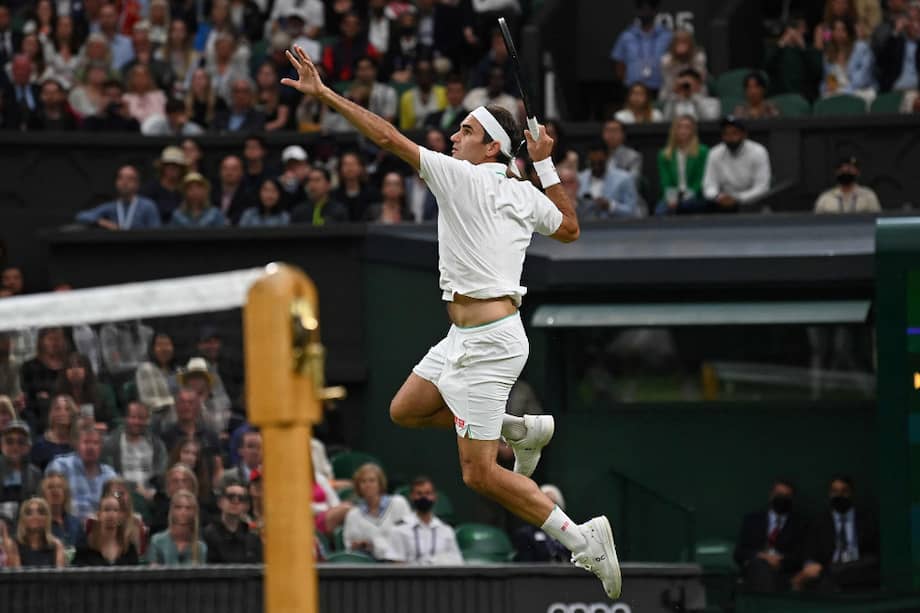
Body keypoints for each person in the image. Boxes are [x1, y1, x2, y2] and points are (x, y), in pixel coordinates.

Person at [282, 43, 621, 598]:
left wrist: (324, 95)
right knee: (406, 409)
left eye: (466, 131)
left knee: (479, 473)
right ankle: (517, 428)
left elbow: (387, 137)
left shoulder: (462, 176)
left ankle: (582, 538)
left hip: (489, 343)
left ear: (490, 147)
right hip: (465, 336)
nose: (453, 137)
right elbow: (569, 227)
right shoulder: (521, 191)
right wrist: (543, 163)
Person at [791, 476, 880, 591]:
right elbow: (810, 552)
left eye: (844, 491)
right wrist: (809, 567)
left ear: (851, 494)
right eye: (835, 491)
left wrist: (826, 569)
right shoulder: (819, 522)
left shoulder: (866, 520)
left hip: (857, 570)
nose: (839, 495)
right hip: (828, 574)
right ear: (830, 494)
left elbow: (873, 555)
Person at [734, 479, 806, 593]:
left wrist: (780, 561)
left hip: (784, 571)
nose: (782, 499)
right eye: (779, 494)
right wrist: (762, 556)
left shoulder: (799, 524)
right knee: (760, 567)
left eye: (786, 496)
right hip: (755, 569)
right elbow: (739, 553)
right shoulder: (752, 520)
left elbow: (800, 555)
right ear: (771, 495)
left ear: (792, 499)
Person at [382, 476, 462, 564]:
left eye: (428, 493)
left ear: (435, 496)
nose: (424, 497)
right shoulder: (399, 529)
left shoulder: (446, 530)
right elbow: (395, 563)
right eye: (419, 494)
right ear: (411, 496)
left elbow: (457, 562)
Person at [46, 424, 118, 522]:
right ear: (77, 445)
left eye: (95, 443)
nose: (91, 447)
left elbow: (117, 500)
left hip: (99, 526)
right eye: (86, 442)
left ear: (101, 447)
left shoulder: (109, 474)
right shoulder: (61, 465)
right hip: (67, 524)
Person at [701, 116, 771, 213]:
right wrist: (719, 197)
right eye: (726, 134)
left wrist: (738, 198)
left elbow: (762, 187)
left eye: (734, 133)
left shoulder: (758, 152)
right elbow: (709, 185)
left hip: (752, 204)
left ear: (744, 135)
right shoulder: (714, 153)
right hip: (722, 204)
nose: (730, 137)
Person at [101, 401, 167, 501]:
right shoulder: (111, 443)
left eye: (141, 418)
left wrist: (152, 491)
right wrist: (133, 488)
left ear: (147, 420)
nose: (136, 422)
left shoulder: (157, 445)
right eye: (133, 417)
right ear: (126, 418)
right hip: (119, 493)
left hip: (150, 494)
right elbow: (109, 474)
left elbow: (161, 473)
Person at [343, 463, 412, 559]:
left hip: (401, 560)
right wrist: (361, 546)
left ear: (380, 484)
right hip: (370, 564)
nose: (368, 485)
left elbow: (408, 536)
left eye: (372, 481)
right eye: (363, 481)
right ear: (358, 486)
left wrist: (377, 546)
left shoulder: (398, 503)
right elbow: (349, 546)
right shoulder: (353, 515)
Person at [610, 0, 672, 94]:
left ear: (655, 11)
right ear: (637, 11)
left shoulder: (667, 36)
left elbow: (675, 61)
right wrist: (625, 82)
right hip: (633, 90)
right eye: (641, 8)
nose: (645, 12)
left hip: (660, 90)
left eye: (648, 8)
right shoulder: (627, 36)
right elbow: (619, 63)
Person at [75, 165, 161, 230]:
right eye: (121, 178)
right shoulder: (112, 207)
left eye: (130, 179)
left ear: (137, 184)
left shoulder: (148, 206)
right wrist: (102, 222)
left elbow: (156, 232)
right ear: (116, 182)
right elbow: (81, 216)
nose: (124, 182)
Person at [655, 115, 710, 215]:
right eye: (679, 127)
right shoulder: (664, 155)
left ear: (693, 131)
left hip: (695, 195)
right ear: (674, 131)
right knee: (660, 211)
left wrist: (687, 197)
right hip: (673, 195)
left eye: (687, 127)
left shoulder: (702, 152)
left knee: (686, 206)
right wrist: (672, 199)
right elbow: (665, 181)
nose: (683, 131)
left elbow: (700, 179)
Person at [203, 478, 262, 563]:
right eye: (230, 496)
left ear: (246, 506)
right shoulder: (208, 534)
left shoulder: (252, 537)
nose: (235, 501)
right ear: (220, 502)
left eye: (241, 498)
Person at [577, 141, 640, 219]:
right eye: (592, 163)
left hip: (614, 225)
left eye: (600, 163)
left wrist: (610, 206)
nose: (596, 167)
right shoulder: (579, 179)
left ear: (607, 158)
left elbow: (632, 211)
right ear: (587, 160)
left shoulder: (624, 179)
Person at [72, 493, 140, 566]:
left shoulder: (129, 548)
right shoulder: (85, 545)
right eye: (107, 509)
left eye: (115, 510)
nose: (111, 514)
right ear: (98, 515)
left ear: (120, 516)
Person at [20, 327, 69, 425]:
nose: (54, 343)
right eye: (50, 339)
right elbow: (28, 399)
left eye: (57, 339)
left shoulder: (69, 366)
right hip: (38, 418)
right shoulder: (29, 367)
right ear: (42, 341)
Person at [54, 352, 116, 427]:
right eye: (70, 367)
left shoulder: (103, 391)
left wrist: (102, 426)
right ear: (64, 372)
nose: (75, 370)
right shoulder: (59, 393)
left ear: (87, 370)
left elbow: (114, 421)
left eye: (79, 366)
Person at [147, 489, 207, 565]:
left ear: (194, 512)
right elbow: (153, 570)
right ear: (171, 510)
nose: (183, 511)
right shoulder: (157, 541)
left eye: (188, 508)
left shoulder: (200, 547)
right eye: (178, 507)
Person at [821, 17, 876, 98]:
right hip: (837, 93)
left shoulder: (861, 48)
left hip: (861, 91)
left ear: (849, 32)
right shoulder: (828, 55)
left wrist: (842, 90)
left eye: (842, 30)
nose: (839, 34)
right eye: (836, 30)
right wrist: (829, 87)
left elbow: (862, 80)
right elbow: (828, 81)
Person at [512, 484, 570, 562]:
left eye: (554, 504)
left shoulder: (568, 533)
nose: (550, 508)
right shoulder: (526, 534)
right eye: (546, 504)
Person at [4, 496, 66, 567]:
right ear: (23, 519)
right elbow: (17, 572)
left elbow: (60, 572)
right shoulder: (14, 545)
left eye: (41, 512)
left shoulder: (57, 545)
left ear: (47, 518)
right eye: (29, 513)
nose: (35, 516)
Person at [0, 420, 42, 516]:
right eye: (9, 442)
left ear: (28, 446)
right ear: (2, 445)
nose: (15, 447)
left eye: (21, 442)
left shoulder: (36, 474)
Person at [876, 2, 920, 93]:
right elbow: (882, 61)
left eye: (918, 20)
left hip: (916, 89)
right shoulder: (898, 41)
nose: (915, 25)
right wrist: (896, 32)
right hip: (896, 88)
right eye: (911, 20)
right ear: (905, 22)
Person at [813, 156, 882, 213]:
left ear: (858, 173)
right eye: (842, 169)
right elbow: (816, 223)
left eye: (850, 169)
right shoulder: (825, 198)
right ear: (836, 173)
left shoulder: (868, 196)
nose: (845, 171)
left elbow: (878, 220)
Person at [135, 331, 179, 414]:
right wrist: (179, 404)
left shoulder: (177, 370)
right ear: (152, 349)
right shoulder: (146, 369)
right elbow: (151, 401)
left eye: (167, 344)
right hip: (157, 415)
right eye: (160, 345)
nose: (164, 348)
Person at [141, 147, 188, 224]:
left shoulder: (186, 190)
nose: (172, 168)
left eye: (176, 165)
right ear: (162, 167)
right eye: (168, 165)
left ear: (182, 169)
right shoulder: (150, 189)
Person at [659, 29, 708, 102]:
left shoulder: (699, 58)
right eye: (679, 42)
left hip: (695, 91)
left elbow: (701, 80)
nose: (681, 45)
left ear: (690, 44)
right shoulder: (666, 61)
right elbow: (669, 84)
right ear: (673, 45)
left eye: (684, 42)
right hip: (673, 92)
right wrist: (680, 83)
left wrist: (689, 81)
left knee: (701, 92)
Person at [30, 394, 76, 470]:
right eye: (58, 409)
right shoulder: (40, 444)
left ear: (72, 414)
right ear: (52, 413)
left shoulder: (78, 443)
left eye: (67, 409)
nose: (62, 413)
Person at [398, 59, 446, 131]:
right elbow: (405, 127)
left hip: (438, 134)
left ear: (432, 75)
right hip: (415, 135)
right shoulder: (406, 97)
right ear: (416, 75)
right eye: (421, 73)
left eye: (427, 73)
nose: (424, 76)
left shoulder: (443, 93)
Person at [40, 471, 84, 548]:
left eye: (59, 487)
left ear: (65, 493)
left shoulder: (76, 523)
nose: (55, 490)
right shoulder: (39, 523)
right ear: (43, 494)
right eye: (50, 487)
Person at [333, 151, 381, 222]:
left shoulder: (372, 194)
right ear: (340, 169)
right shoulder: (334, 195)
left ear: (361, 168)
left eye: (353, 164)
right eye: (345, 164)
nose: (349, 168)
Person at [211, 154, 255, 225]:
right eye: (225, 168)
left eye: (234, 169)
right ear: (220, 171)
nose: (229, 172)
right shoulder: (210, 191)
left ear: (241, 172)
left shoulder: (249, 194)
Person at [354, 55, 398, 124]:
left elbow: (388, 122)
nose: (364, 72)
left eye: (367, 68)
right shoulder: (349, 94)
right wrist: (356, 101)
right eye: (361, 69)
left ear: (375, 70)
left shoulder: (388, 92)